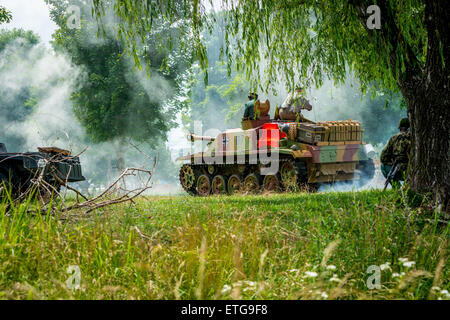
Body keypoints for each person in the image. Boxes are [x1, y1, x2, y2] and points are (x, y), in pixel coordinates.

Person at [380, 117, 411, 183]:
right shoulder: (417, 139)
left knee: (383, 166)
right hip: (412, 170)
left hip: (398, 169)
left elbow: (383, 158)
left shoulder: (394, 138)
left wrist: (392, 161)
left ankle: (396, 186)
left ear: (400, 128)